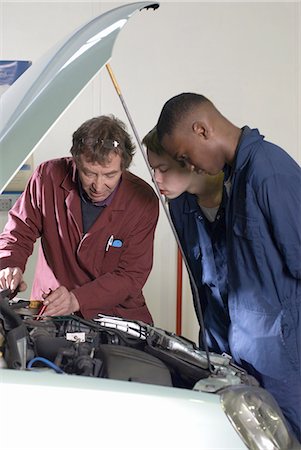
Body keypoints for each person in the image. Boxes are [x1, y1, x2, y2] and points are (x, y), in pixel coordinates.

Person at [156, 92, 301, 440]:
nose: (189, 165)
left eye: (184, 155)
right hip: (251, 359)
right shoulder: (238, 179)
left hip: (286, 365)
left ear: (201, 130)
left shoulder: (269, 172)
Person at [0, 115, 159, 324]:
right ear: (75, 161)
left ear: (124, 168)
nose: (98, 186)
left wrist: (77, 300)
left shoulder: (143, 201)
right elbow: (19, 231)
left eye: (110, 175)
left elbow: (131, 275)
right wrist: (9, 264)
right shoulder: (47, 176)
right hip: (51, 307)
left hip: (116, 314)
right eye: (89, 173)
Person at [142, 126, 230, 355]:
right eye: (153, 170)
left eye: (163, 169)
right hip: (214, 335)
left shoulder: (239, 191)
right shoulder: (179, 204)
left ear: (189, 161)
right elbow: (198, 281)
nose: (155, 179)